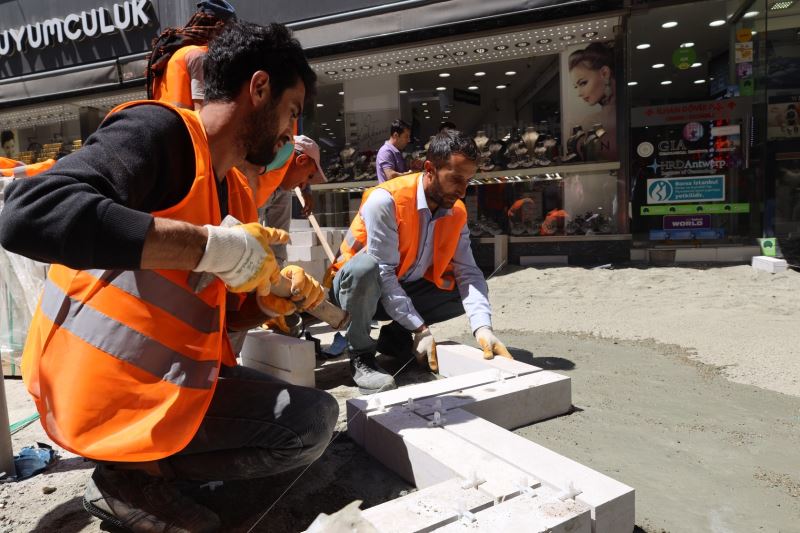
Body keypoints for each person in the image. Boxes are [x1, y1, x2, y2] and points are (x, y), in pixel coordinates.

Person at [0, 20, 336, 532]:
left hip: (165, 385)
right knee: (305, 426)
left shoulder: (238, 193)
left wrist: (266, 303)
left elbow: (204, 308)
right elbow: (31, 213)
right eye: (291, 112)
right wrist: (211, 248)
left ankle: (148, 470)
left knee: (311, 423)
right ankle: (128, 478)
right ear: (259, 88)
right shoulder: (162, 134)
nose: (291, 133)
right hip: (97, 390)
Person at [330, 130, 512, 394]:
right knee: (366, 268)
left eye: (468, 180)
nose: (463, 190)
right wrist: (421, 328)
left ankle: (395, 338)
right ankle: (361, 356)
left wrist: (483, 328)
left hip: (397, 287)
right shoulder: (386, 200)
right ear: (429, 169)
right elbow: (383, 272)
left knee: (459, 291)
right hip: (353, 290)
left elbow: (468, 273)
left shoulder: (455, 211)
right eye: (456, 179)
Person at [147, 0, 237, 109]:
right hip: (186, 124)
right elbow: (200, 113)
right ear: (219, 29)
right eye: (231, 32)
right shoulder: (199, 56)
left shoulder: (173, 53)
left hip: (166, 122)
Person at [568, 42, 617, 159]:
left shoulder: (590, 124)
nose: (579, 93)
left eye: (583, 83)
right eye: (576, 86)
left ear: (604, 73)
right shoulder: (588, 123)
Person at [376, 119, 411, 183]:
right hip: (389, 192)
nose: (408, 140)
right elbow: (391, 176)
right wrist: (410, 174)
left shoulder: (396, 151)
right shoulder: (385, 151)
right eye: (406, 136)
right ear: (396, 135)